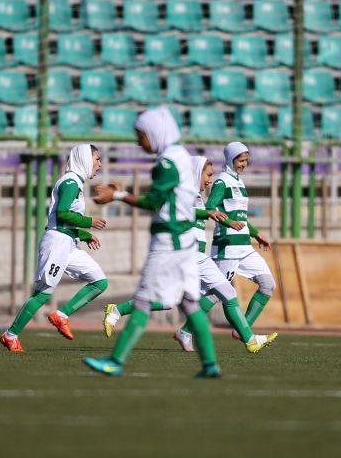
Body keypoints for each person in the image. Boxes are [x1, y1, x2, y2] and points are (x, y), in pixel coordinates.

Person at [83, 106, 221, 378]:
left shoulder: (167, 162)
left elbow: (154, 201)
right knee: (190, 303)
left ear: (155, 132)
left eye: (141, 135)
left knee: (143, 301)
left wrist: (118, 196)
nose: (139, 142)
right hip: (185, 241)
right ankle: (210, 365)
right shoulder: (180, 156)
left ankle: (116, 361)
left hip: (168, 241)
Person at [102, 156, 277, 354]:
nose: (210, 180)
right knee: (217, 295)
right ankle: (248, 340)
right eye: (207, 175)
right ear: (196, 172)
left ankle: (121, 311)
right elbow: (179, 209)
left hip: (195, 257)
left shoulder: (196, 196)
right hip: (186, 255)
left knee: (179, 300)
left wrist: (226, 221)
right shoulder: (183, 194)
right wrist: (208, 213)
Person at [0, 144, 108, 352]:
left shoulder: (76, 182)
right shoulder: (70, 182)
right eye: (97, 159)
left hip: (68, 244)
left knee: (100, 281)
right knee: (43, 294)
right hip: (57, 244)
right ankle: (10, 335)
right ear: (84, 159)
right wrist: (89, 222)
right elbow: (62, 214)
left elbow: (64, 221)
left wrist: (85, 235)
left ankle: (61, 314)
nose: (100, 164)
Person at [204, 141, 277, 341]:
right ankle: (185, 331)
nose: (244, 164)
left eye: (246, 160)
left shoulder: (239, 182)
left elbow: (241, 217)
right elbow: (210, 208)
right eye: (240, 160)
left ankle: (241, 329)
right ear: (230, 160)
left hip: (244, 246)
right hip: (227, 247)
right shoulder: (222, 182)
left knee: (268, 285)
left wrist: (255, 233)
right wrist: (228, 222)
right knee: (216, 294)